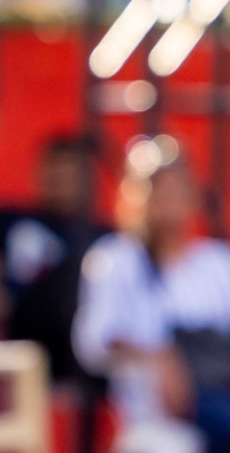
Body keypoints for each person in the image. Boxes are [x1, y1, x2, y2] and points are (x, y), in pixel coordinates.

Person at [74, 137, 230, 453]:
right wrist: (159, 358)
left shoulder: (216, 262)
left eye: (176, 186)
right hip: (156, 411)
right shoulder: (115, 259)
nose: (168, 197)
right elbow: (94, 341)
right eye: (157, 187)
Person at [0, 136, 108, 387]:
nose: (61, 180)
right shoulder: (7, 220)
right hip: (21, 339)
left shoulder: (106, 237)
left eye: (70, 172)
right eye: (54, 169)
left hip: (85, 348)